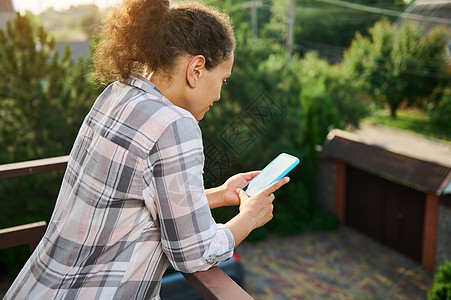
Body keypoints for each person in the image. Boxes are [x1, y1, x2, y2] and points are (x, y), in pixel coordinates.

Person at [5, 0, 290, 299]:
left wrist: (219, 195)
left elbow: (130, 205)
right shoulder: (175, 124)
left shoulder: (117, 93)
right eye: (223, 80)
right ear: (196, 69)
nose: (219, 95)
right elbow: (194, 253)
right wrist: (249, 218)